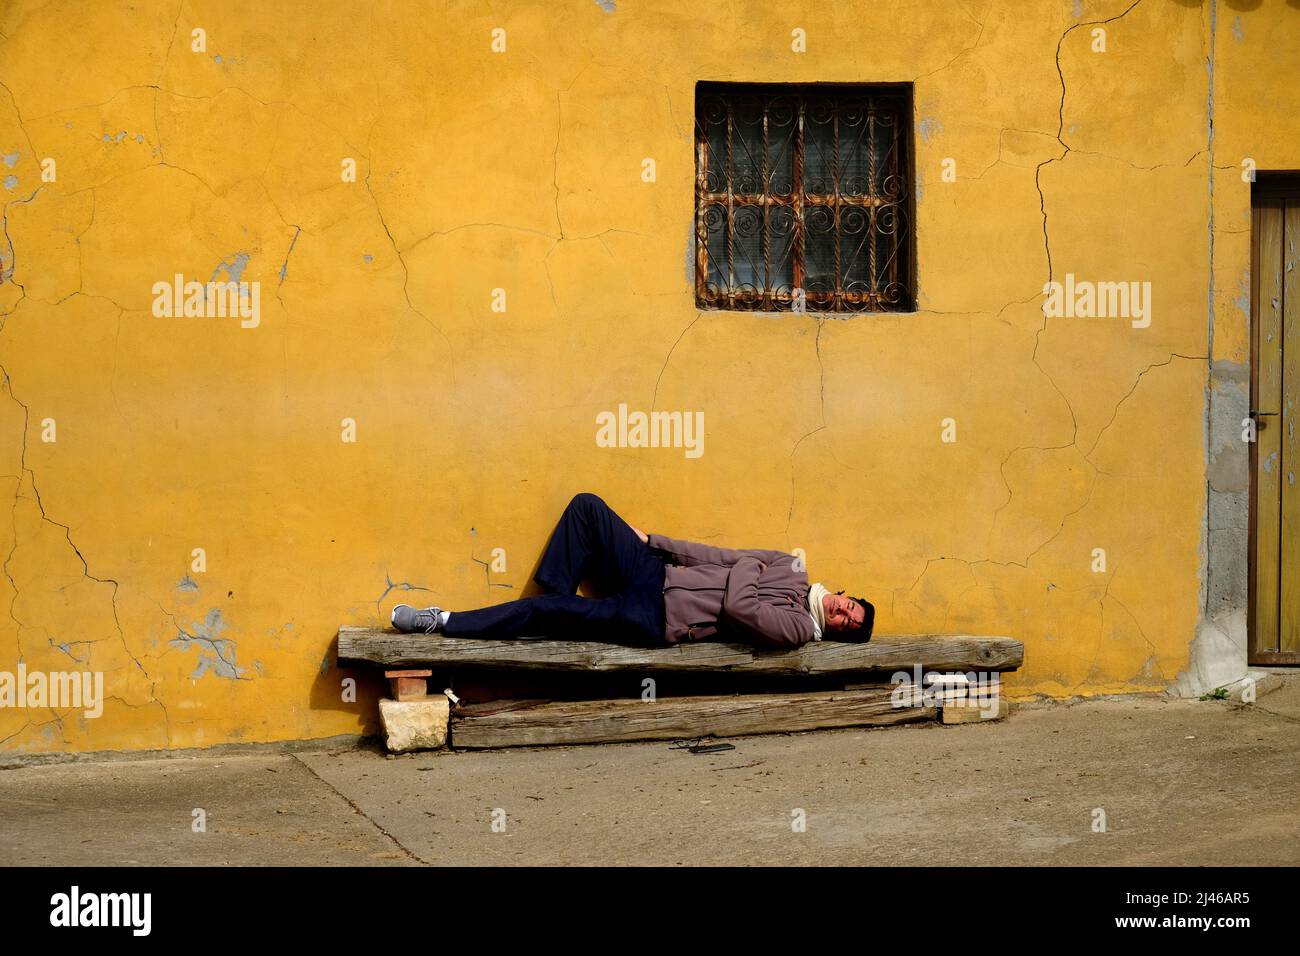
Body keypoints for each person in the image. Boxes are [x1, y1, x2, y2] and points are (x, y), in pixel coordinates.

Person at [391, 492, 873, 649]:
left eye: (847, 623)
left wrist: (750, 562)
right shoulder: (792, 568)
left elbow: (740, 605)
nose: (842, 613)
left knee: (547, 610)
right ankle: (554, 610)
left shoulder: (797, 629)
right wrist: (654, 542)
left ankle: (444, 621)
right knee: (588, 507)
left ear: (836, 630)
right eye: (850, 606)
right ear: (844, 595)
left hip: (655, 619)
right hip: (655, 571)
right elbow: (716, 556)